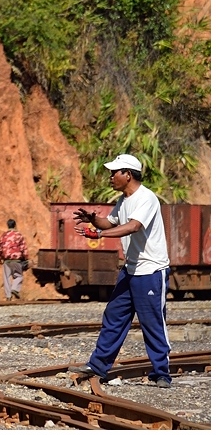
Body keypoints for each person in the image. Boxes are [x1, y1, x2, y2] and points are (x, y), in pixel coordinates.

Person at [68, 154, 172, 389]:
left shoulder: (146, 198)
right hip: (131, 269)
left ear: (128, 174)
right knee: (114, 316)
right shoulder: (123, 200)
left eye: (114, 172)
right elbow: (111, 223)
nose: (110, 176)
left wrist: (100, 235)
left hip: (151, 270)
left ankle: (162, 373)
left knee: (152, 322)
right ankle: (98, 365)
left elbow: (133, 226)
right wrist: (93, 220)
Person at [0, 219, 29, 301]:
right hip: (16, 260)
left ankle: (8, 296)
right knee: (19, 276)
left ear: (8, 225)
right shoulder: (19, 235)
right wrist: (26, 258)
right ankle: (14, 289)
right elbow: (23, 248)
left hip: (6, 260)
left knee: (6, 278)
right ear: (15, 225)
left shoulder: (4, 236)